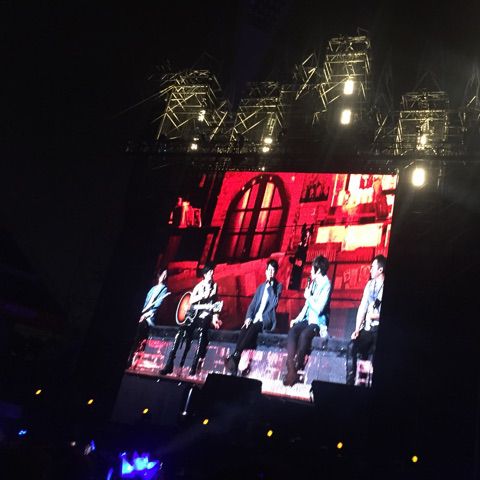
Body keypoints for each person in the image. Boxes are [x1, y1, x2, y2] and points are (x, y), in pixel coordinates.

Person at [160, 262, 222, 376]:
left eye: (212, 272)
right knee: (181, 331)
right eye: (210, 272)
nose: (212, 274)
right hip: (194, 315)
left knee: (202, 332)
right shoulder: (199, 286)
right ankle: (169, 363)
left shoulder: (215, 286)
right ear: (205, 274)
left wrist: (215, 318)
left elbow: (215, 304)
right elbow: (191, 300)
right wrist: (202, 295)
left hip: (205, 314)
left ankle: (194, 365)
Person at [224, 259, 283, 375]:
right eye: (269, 270)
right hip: (256, 318)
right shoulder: (261, 287)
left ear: (275, 273)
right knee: (245, 328)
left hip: (266, 320)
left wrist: (270, 287)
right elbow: (252, 305)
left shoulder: (278, 286)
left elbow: (274, 303)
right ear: (266, 271)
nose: (271, 272)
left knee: (254, 327)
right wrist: (248, 318)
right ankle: (236, 357)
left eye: (273, 270)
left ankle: (235, 356)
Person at [283, 255, 331, 387]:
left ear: (318, 270)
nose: (310, 271)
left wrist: (308, 297)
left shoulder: (326, 284)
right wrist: (297, 319)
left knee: (304, 335)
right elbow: (307, 306)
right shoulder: (313, 283)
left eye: (312, 268)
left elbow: (319, 309)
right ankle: (290, 366)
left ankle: (296, 367)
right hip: (308, 319)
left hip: (317, 322)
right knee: (293, 331)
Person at [346, 254, 386, 386]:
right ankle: (349, 383)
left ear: (380, 270)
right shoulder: (369, 285)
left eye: (373, 267)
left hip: (379, 329)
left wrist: (374, 316)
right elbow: (362, 308)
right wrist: (357, 329)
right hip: (368, 328)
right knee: (352, 346)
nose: (370, 270)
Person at [128, 270, 170, 367]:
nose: (164, 277)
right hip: (142, 314)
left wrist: (145, 315)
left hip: (149, 318)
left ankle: (131, 357)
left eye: (166, 275)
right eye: (163, 274)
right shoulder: (152, 289)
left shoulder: (164, 289)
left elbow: (157, 307)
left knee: (139, 329)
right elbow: (145, 302)